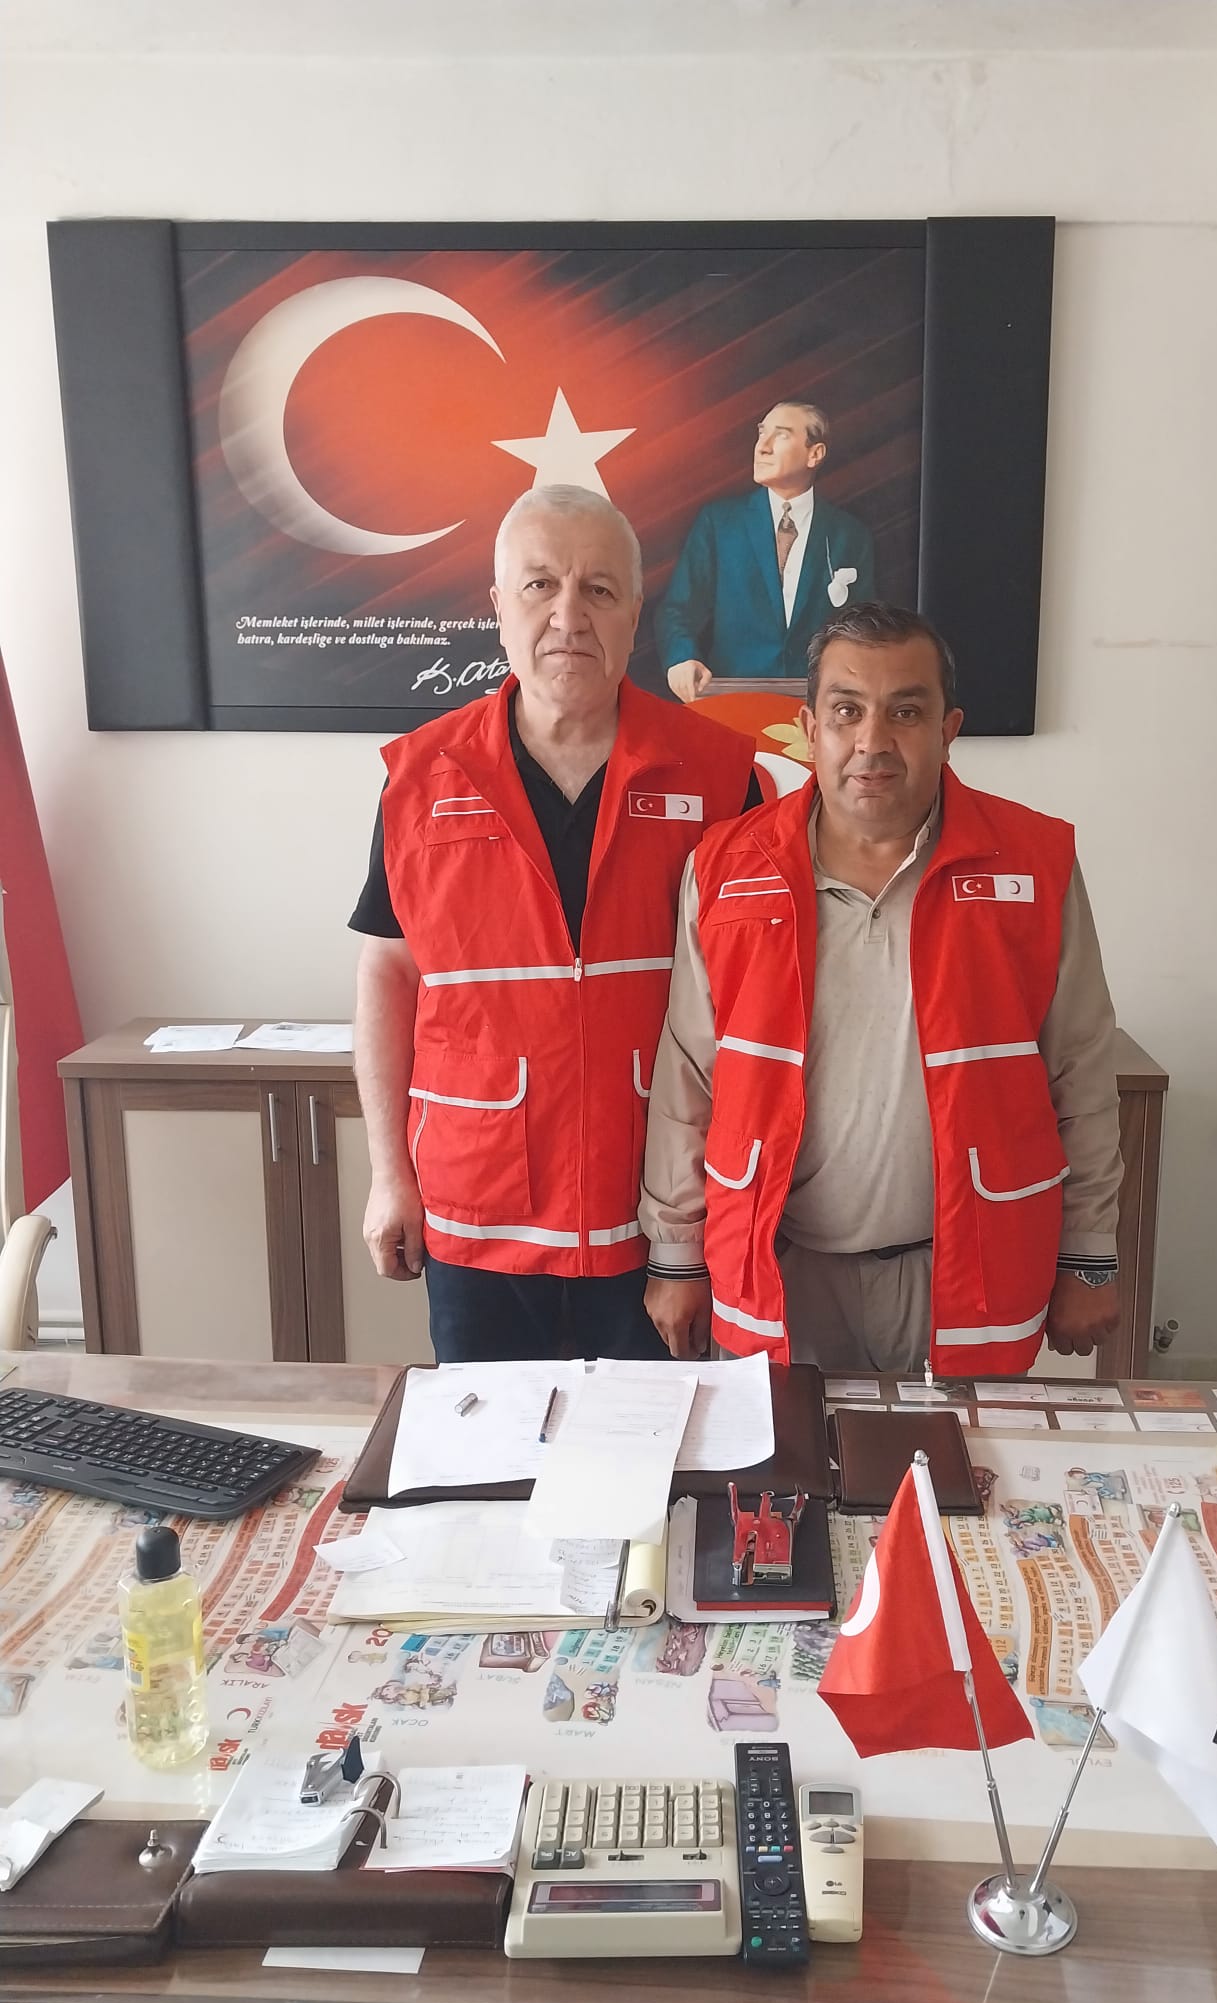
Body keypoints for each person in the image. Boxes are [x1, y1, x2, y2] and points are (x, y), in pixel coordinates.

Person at [639, 601, 1123, 1378]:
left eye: (906, 711)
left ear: (948, 728)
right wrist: (675, 1254)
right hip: (780, 1270)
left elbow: (1082, 1072)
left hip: (965, 1270)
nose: (872, 741)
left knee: (963, 1461)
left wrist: (1088, 1255)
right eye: (846, 711)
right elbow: (687, 1077)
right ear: (809, 729)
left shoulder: (1033, 865)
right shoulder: (725, 867)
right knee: (785, 1459)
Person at [349, 484, 757, 1363]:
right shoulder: (419, 779)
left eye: (599, 589)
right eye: (540, 585)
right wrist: (388, 1175)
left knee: (658, 1445)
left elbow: (763, 1006)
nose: (569, 615)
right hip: (476, 1215)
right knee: (490, 1445)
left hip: (660, 1221)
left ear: (635, 615)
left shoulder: (723, 779)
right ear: (499, 607)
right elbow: (389, 975)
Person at [656, 401, 877, 701]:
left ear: (815, 454)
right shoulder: (720, 523)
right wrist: (681, 659)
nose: (762, 447)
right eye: (761, 433)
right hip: (734, 704)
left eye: (781, 435)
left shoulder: (850, 535)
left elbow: (863, 631)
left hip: (818, 707)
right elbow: (678, 610)